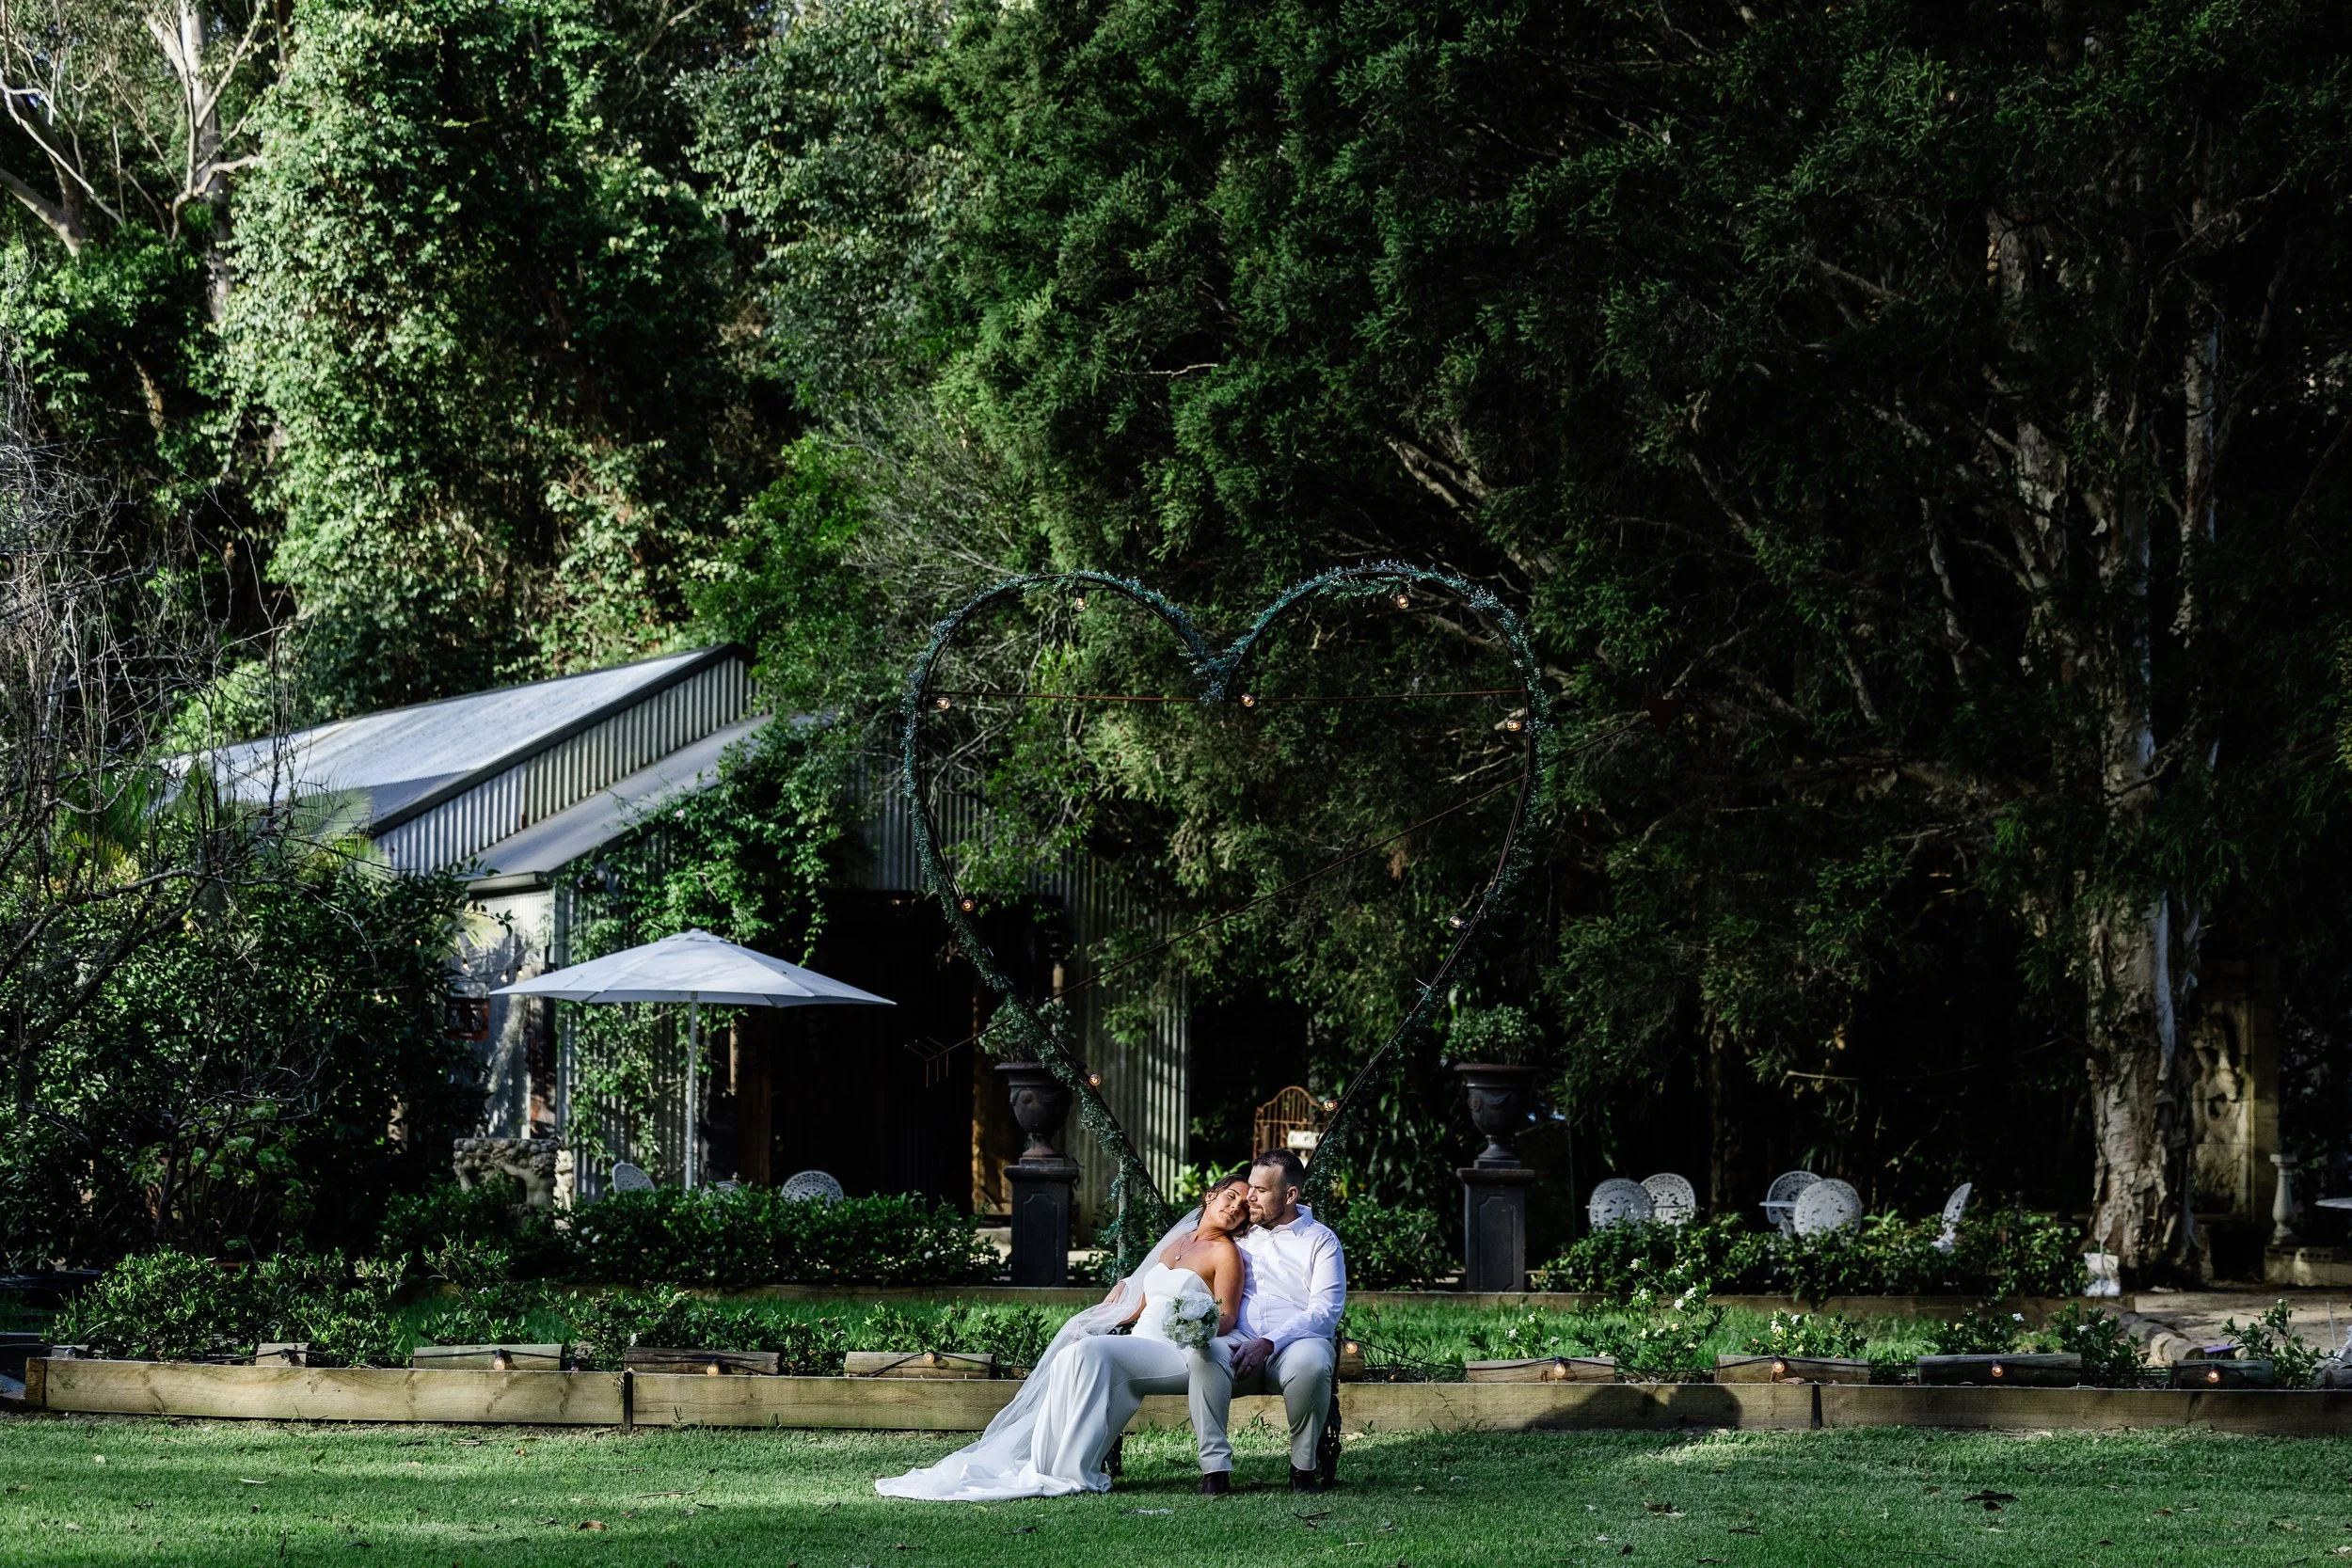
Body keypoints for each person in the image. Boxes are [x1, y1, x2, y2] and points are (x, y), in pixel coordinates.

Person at [873, 1176, 1251, 1501]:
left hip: (1178, 1352)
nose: (1235, 1208)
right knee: (1074, 1352)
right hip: (1139, 1342)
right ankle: (1056, 1463)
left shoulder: (1224, 1253)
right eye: (1230, 1197)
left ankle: (1072, 1471)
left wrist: (1196, 1324)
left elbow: (1227, 1314)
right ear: (1210, 1197)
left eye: (1243, 1207)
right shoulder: (1177, 1242)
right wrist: (1094, 1322)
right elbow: (1139, 1301)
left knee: (1091, 1353)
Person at [1200, 1148, 1348, 1493]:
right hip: (1237, 1342)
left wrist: (1268, 1343)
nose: (1249, 1197)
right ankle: (1214, 1471)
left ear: (1290, 1195)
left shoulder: (1321, 1241)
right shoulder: (1237, 1235)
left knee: (1313, 1360)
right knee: (1204, 1353)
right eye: (1250, 1187)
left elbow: (1326, 1310)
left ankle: (1303, 1469)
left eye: (1261, 1191)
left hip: (1295, 1345)